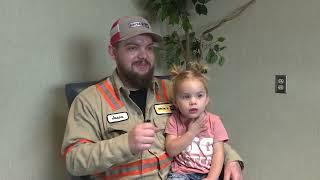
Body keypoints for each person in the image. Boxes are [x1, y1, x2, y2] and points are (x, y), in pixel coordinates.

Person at [61, 15, 244, 180]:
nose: (143, 56)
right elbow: (74, 160)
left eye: (149, 48)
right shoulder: (90, 100)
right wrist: (126, 144)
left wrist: (232, 159)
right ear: (113, 52)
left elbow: (206, 129)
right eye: (132, 48)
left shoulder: (173, 90)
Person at [165, 64, 228, 180]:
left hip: (208, 173)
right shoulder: (174, 120)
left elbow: (219, 154)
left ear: (206, 99)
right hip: (181, 173)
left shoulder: (214, 121)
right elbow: (171, 150)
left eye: (199, 96)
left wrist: (211, 178)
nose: (193, 101)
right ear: (175, 102)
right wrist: (191, 133)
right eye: (186, 97)